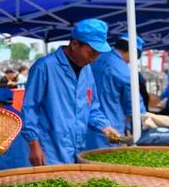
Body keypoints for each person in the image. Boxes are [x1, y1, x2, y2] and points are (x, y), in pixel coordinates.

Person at [22, 19, 119, 166]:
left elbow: (92, 107)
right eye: (91, 53)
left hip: (77, 148)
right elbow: (30, 108)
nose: (93, 59)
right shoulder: (44, 67)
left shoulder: (87, 70)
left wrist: (105, 127)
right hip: (48, 149)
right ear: (74, 44)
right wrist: (33, 144)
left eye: (97, 54)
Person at [85, 34, 147, 150]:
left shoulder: (95, 58)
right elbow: (134, 106)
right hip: (108, 130)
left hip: (84, 124)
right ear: (132, 53)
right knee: (103, 165)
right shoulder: (124, 71)